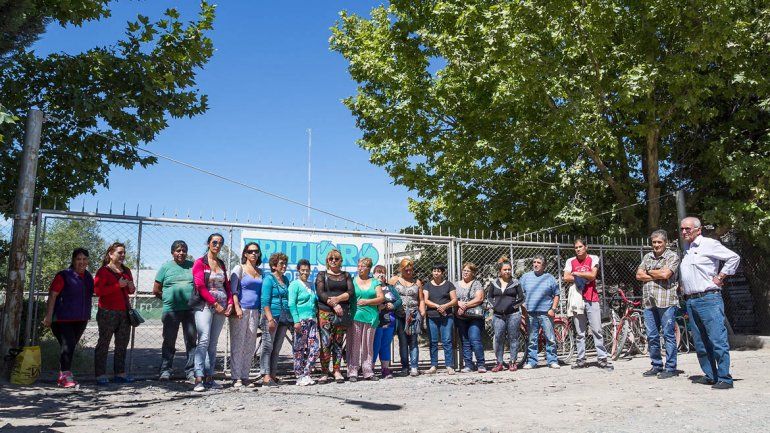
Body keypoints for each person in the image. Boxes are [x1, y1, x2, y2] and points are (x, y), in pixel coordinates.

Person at [679, 217, 740, 389]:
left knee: (717, 339)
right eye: (682, 229)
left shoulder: (709, 244)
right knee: (700, 342)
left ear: (698, 230)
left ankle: (724, 378)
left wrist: (721, 276)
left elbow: (734, 257)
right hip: (691, 300)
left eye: (688, 229)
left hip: (708, 299)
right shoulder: (687, 249)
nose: (684, 232)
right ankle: (711, 375)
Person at [42, 248, 93, 388]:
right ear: (73, 260)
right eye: (78, 259)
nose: (81, 262)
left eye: (84, 259)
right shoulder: (64, 275)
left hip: (80, 319)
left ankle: (63, 375)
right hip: (62, 319)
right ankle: (65, 376)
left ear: (88, 261)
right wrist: (48, 316)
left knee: (69, 347)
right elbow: (53, 295)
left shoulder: (88, 277)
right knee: (68, 345)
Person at [191, 233, 233, 392]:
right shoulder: (200, 263)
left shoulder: (221, 263)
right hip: (205, 306)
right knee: (203, 340)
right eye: (214, 242)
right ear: (208, 243)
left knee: (213, 343)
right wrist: (214, 303)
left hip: (221, 307)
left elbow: (226, 285)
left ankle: (210, 377)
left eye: (220, 243)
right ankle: (198, 378)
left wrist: (229, 303)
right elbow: (200, 286)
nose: (217, 245)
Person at [635, 230, 680, 379]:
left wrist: (648, 272)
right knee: (652, 335)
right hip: (649, 301)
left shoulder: (672, 256)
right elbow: (638, 275)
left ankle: (671, 367)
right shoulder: (647, 256)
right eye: (654, 242)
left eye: (659, 242)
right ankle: (656, 365)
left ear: (665, 242)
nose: (656, 245)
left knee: (668, 335)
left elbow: (666, 274)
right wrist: (656, 273)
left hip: (666, 301)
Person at [563, 238, 612, 370]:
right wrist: (584, 276)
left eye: (580, 246)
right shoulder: (570, 261)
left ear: (586, 247)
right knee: (580, 332)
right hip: (577, 299)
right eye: (576, 247)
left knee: (597, 330)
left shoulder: (593, 258)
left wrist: (577, 273)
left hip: (591, 298)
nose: (578, 249)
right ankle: (581, 359)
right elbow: (566, 277)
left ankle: (602, 358)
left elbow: (592, 275)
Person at [93, 242, 136, 385]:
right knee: (104, 343)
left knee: (122, 343)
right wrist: (118, 285)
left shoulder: (126, 270)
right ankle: (100, 374)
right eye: (119, 252)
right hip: (107, 312)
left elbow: (130, 290)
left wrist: (130, 287)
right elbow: (98, 291)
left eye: (124, 253)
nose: (123, 255)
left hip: (124, 312)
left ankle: (120, 373)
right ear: (111, 254)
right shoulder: (103, 271)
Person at [153, 240, 196, 382]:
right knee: (169, 341)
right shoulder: (165, 267)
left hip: (190, 311)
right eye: (178, 250)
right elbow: (156, 289)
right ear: (172, 252)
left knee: (191, 341)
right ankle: (165, 370)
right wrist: (168, 299)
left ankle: (191, 371)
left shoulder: (193, 266)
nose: (181, 253)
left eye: (184, 250)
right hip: (171, 311)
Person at [315, 249, 355, 384]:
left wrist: (338, 299)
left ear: (340, 261)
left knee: (338, 342)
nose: (333, 261)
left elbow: (351, 292)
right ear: (327, 261)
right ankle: (324, 372)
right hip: (325, 311)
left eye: (336, 259)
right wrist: (334, 304)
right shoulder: (321, 275)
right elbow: (320, 293)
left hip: (341, 313)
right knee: (326, 342)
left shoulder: (346, 275)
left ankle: (337, 370)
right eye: (330, 259)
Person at [228, 242, 263, 387]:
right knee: (238, 343)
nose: (253, 253)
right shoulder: (239, 268)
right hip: (241, 310)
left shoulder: (261, 272)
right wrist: (237, 307)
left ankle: (245, 376)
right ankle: (236, 377)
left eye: (256, 251)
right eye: (250, 251)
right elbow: (233, 289)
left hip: (255, 311)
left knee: (250, 344)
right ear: (245, 254)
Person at [347, 257, 384, 381]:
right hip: (355, 317)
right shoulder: (352, 281)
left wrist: (367, 301)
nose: (360, 268)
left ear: (368, 268)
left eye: (362, 266)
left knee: (368, 345)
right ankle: (352, 371)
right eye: (358, 266)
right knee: (354, 345)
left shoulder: (375, 282)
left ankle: (368, 371)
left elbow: (381, 298)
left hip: (371, 317)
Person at [520, 255, 560, 369]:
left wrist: (553, 309)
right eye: (534, 262)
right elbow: (520, 294)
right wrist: (523, 309)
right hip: (530, 313)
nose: (536, 264)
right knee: (532, 339)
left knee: (550, 338)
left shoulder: (550, 278)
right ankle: (532, 362)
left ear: (544, 265)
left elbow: (556, 294)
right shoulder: (525, 277)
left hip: (546, 313)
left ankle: (552, 360)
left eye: (538, 263)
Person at [486, 256, 525, 372]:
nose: (507, 271)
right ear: (500, 271)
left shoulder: (516, 283)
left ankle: (513, 362)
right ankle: (499, 363)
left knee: (513, 338)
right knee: (498, 338)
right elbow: (489, 297)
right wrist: (494, 305)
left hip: (513, 315)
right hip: (498, 316)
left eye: (509, 269)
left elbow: (522, 298)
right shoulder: (494, 283)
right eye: (505, 269)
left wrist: (513, 306)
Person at [260, 252, 292, 387]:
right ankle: (265, 375)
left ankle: (273, 374)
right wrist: (270, 319)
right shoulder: (268, 279)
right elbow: (264, 301)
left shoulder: (285, 280)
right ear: (274, 266)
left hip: (283, 317)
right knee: (267, 346)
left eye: (285, 263)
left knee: (277, 347)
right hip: (271, 316)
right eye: (281, 263)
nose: (284, 266)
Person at [389, 258, 425, 377]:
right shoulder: (394, 280)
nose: (409, 272)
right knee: (403, 341)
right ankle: (405, 367)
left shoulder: (417, 282)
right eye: (406, 270)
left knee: (414, 341)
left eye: (410, 270)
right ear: (401, 269)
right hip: (400, 315)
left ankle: (414, 367)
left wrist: (422, 312)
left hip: (413, 314)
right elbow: (386, 292)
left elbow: (421, 299)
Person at [288, 259, 320, 386]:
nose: (305, 272)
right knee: (299, 349)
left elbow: (315, 301)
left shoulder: (311, 285)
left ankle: (307, 373)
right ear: (298, 270)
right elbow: (291, 304)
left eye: (307, 270)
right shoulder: (294, 285)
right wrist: (296, 321)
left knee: (315, 348)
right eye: (303, 270)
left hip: (312, 320)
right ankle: (299, 375)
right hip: (301, 321)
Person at [423, 263, 457, 375]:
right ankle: (433, 365)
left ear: (442, 273)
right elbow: (425, 300)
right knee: (433, 341)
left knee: (447, 341)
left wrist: (445, 306)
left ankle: (449, 366)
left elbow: (454, 300)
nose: (436, 273)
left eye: (438, 271)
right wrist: (437, 306)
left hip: (446, 317)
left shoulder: (449, 285)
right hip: (432, 317)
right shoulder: (427, 285)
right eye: (434, 271)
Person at [454, 262, 486, 373]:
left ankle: (481, 364)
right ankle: (468, 365)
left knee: (475, 339)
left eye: (468, 271)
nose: (466, 272)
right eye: (464, 270)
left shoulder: (477, 283)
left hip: (475, 317)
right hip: (460, 316)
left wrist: (465, 305)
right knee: (465, 341)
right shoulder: (456, 285)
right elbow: (453, 298)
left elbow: (479, 298)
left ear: (473, 273)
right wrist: (458, 303)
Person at [372, 264, 402, 379]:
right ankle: (370, 369)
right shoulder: (372, 287)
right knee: (375, 345)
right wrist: (377, 306)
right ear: (373, 274)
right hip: (376, 321)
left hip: (390, 321)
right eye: (378, 272)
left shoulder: (390, 288)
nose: (381, 275)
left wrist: (393, 305)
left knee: (385, 345)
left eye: (383, 272)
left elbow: (399, 300)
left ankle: (385, 369)